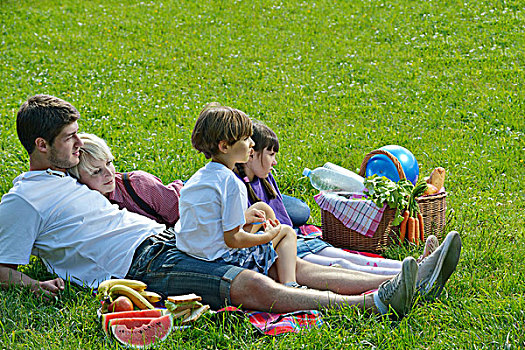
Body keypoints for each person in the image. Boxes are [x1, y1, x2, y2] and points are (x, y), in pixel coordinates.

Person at [0, 95, 461, 319]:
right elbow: (2, 267)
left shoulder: (65, 176)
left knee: (288, 255)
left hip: (161, 239)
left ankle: (410, 277)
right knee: (244, 283)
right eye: (69, 139)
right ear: (40, 145)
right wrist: (36, 285)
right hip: (137, 265)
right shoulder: (22, 200)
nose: (79, 145)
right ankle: (370, 305)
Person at [234, 121, 440, 275]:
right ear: (251, 154)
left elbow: (283, 217)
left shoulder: (265, 178)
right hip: (281, 248)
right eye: (271, 154)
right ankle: (405, 274)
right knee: (343, 266)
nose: (275, 162)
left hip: (295, 237)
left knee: (344, 255)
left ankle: (417, 263)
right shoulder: (238, 188)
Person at [174, 103, 303, 287]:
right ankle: (291, 284)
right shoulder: (232, 184)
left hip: (194, 253)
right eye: (246, 138)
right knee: (287, 232)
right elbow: (233, 239)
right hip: (223, 261)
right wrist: (269, 236)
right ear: (225, 146)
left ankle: (277, 266)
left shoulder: (199, 177)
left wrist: (244, 217)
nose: (252, 143)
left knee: (259, 210)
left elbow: (209, 218)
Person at [68, 133, 183, 227]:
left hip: (186, 201)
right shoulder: (83, 207)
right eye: (97, 171)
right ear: (77, 179)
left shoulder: (138, 184)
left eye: (109, 163)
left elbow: (181, 219)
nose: (109, 173)